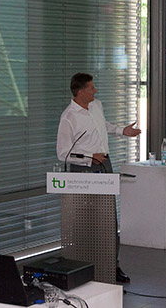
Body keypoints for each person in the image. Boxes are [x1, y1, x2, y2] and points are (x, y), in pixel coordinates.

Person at [56, 73, 141, 283]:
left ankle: (112, 266)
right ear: (81, 92)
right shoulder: (69, 117)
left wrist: (122, 131)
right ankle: (84, 267)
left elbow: (103, 125)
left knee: (108, 219)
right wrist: (89, 157)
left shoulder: (96, 105)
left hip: (104, 164)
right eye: (92, 88)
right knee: (85, 220)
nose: (95, 91)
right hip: (83, 171)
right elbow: (62, 153)